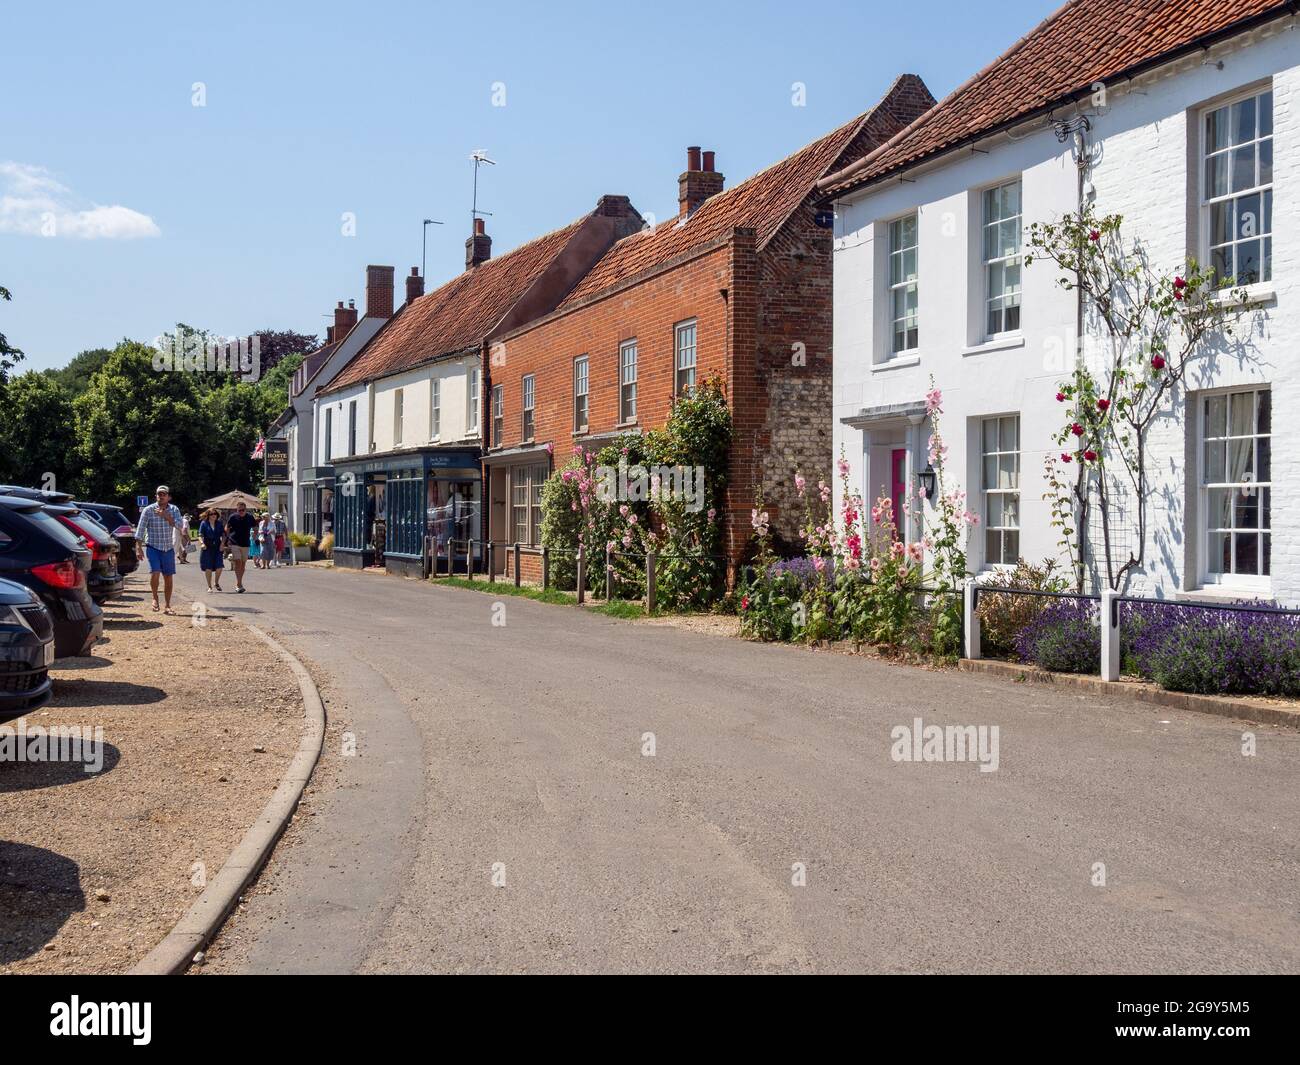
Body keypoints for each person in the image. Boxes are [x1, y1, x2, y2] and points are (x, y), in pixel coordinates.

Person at [135, 484, 184, 613]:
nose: (161, 496)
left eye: (164, 494)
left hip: (168, 548)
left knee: (168, 576)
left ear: (169, 497)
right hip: (153, 546)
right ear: (156, 496)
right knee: (155, 572)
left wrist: (167, 517)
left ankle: (167, 605)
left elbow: (180, 526)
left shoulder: (174, 510)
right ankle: (155, 597)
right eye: (159, 494)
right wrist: (138, 548)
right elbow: (140, 529)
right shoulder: (148, 510)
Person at [224, 500, 257, 593]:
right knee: (238, 563)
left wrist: (255, 535)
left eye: (243, 510)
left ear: (245, 509)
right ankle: (238, 584)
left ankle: (239, 582)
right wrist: (227, 537)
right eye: (239, 510)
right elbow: (227, 527)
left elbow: (255, 527)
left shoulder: (250, 517)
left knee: (243, 564)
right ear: (237, 510)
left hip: (246, 543)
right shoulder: (233, 517)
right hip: (234, 542)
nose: (241, 512)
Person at [198, 508, 226, 591]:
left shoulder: (219, 524)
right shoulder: (204, 523)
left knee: (219, 566)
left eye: (215, 514)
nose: (213, 515)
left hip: (217, 547)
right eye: (211, 514)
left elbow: (224, 535)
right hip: (207, 547)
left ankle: (216, 583)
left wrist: (222, 544)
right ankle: (209, 586)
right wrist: (202, 543)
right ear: (208, 515)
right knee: (208, 567)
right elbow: (200, 535)